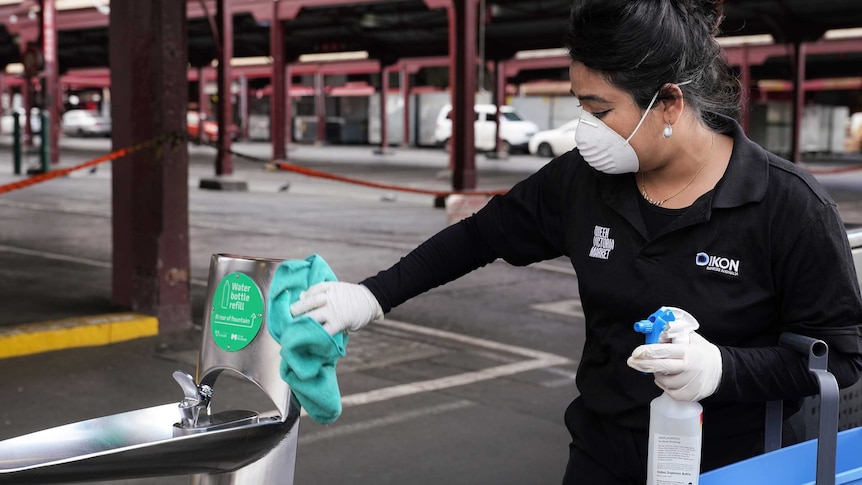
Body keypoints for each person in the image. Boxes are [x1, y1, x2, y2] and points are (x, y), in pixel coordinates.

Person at [287, 0, 862, 483]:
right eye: (579, 103)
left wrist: (721, 369)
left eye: (599, 108)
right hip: (600, 456)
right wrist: (371, 297)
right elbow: (478, 236)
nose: (583, 125)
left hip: (739, 465)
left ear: (668, 104)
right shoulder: (584, 183)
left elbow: (841, 355)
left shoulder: (786, 204)